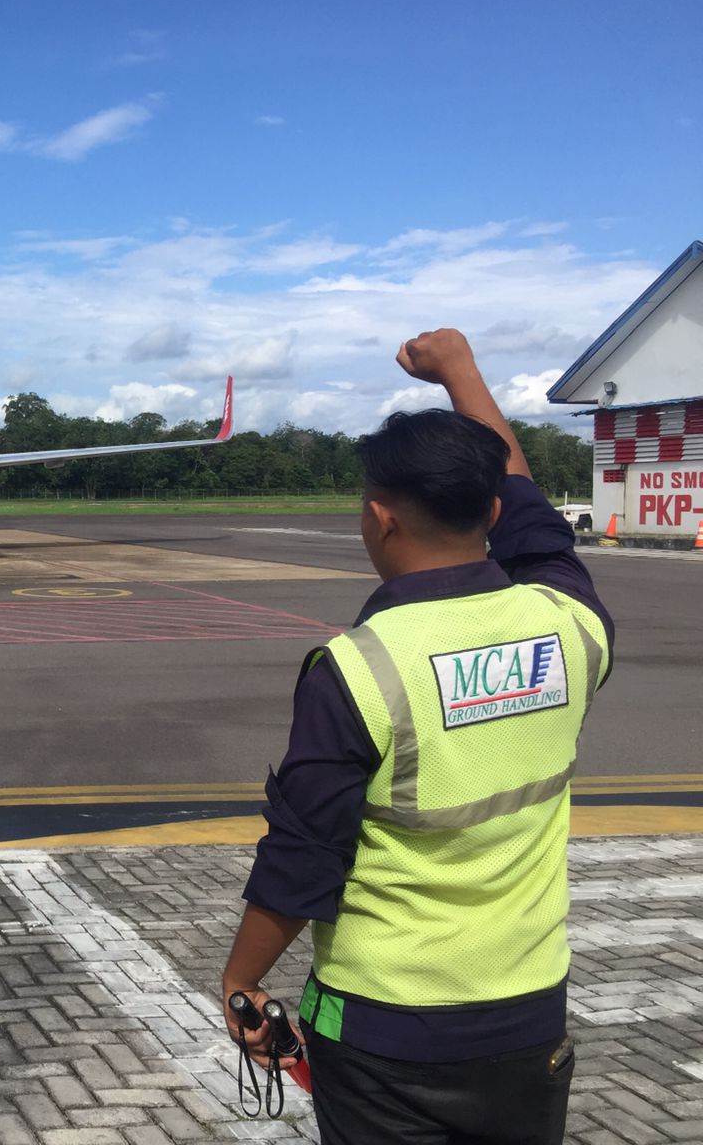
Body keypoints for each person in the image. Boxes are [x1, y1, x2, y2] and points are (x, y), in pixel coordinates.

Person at [220, 329, 613, 1144]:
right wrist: (461, 374)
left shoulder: (360, 668)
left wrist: (242, 979)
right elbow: (537, 521)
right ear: (492, 513)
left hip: (384, 1027)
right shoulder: (571, 626)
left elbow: (305, 855)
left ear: (379, 519)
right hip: (527, 1013)